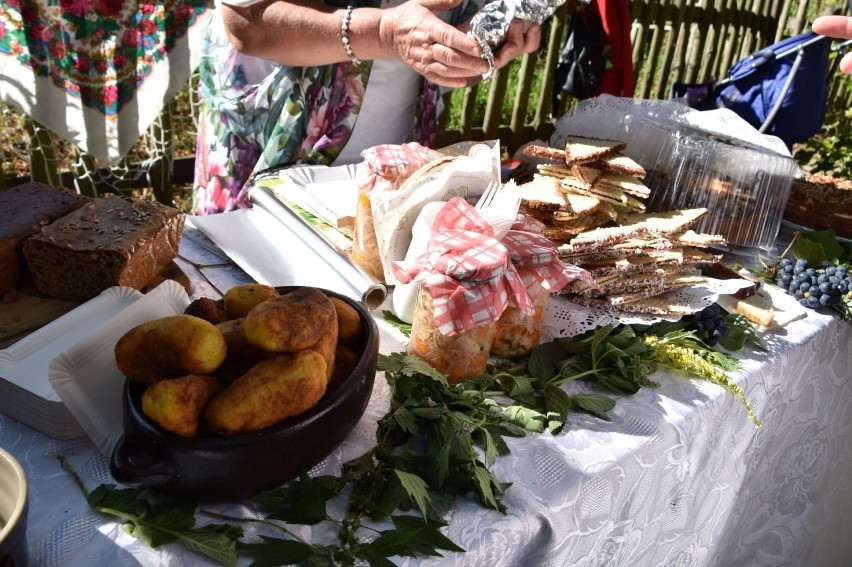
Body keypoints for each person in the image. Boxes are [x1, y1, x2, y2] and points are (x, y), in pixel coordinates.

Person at [192, 0, 541, 214]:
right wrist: (386, 33)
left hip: (390, 166)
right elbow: (248, 22)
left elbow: (457, 33)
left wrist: (476, 46)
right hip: (271, 152)